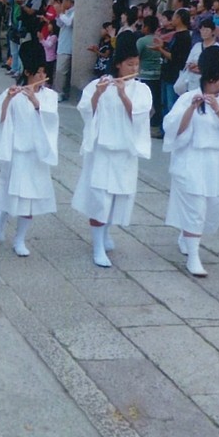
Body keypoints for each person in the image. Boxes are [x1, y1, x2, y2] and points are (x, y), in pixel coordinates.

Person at [162, 51, 219, 277]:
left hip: (215, 162)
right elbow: (173, 129)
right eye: (215, 79)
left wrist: (218, 109)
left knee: (211, 207)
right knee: (195, 206)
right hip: (191, 159)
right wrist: (191, 108)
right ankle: (193, 257)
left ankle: (186, 237)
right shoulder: (188, 98)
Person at [72, 42, 153, 268]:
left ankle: (106, 232)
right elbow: (87, 110)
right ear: (118, 64)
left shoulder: (142, 89)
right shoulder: (100, 84)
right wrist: (98, 93)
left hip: (125, 152)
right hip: (103, 150)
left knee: (118, 197)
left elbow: (139, 115)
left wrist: (123, 94)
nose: (133, 68)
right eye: (129, 64)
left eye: (136, 64)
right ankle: (97, 245)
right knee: (100, 197)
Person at [0, 42, 60, 257]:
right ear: (28, 72)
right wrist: (9, 99)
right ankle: (1, 215)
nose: (42, 76)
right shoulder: (14, 94)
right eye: (38, 72)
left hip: (36, 155)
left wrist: (36, 102)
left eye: (44, 72)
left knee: (30, 201)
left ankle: (20, 239)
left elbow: (51, 121)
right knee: (14, 197)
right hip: (18, 153)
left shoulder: (49, 96)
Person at [54, 0, 76, 101]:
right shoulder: (66, 12)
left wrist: (61, 14)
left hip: (68, 46)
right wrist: (60, 14)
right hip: (62, 43)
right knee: (60, 71)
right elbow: (60, 24)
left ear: (69, 2)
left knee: (61, 70)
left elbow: (69, 23)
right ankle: (59, 91)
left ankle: (60, 92)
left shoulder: (74, 12)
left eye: (64, 1)